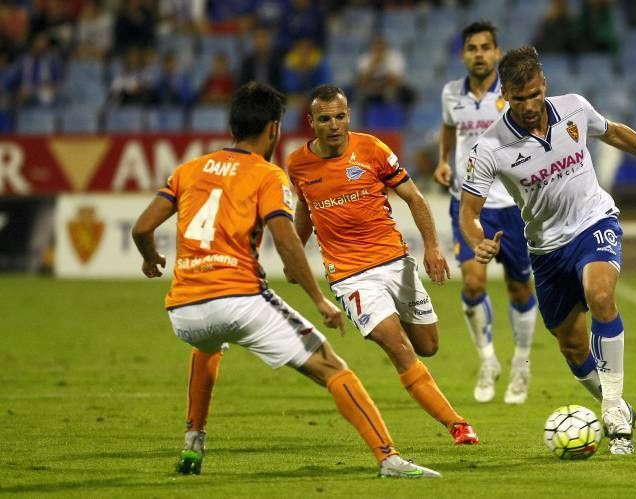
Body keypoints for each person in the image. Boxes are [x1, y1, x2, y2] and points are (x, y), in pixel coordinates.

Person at [131, 82, 440, 479]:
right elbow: (287, 239)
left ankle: (193, 441)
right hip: (239, 299)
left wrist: (150, 257)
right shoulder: (267, 174)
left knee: (207, 347)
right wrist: (319, 298)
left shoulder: (189, 170)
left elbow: (142, 228)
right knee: (334, 368)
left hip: (184, 309)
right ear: (274, 129)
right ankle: (389, 458)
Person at [459, 46, 636, 455]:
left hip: (594, 222)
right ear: (504, 96)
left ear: (543, 84)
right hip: (546, 250)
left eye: (533, 94)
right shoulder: (489, 148)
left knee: (601, 296)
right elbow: (468, 211)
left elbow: (613, 132)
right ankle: (614, 402)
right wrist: (477, 240)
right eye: (517, 97)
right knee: (572, 345)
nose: (528, 105)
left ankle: (615, 415)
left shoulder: (573, 109)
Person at [287, 84, 479, 445]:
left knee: (427, 345)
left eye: (340, 116)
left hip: (394, 261)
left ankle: (420, 374)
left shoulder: (372, 149)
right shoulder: (298, 163)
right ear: (311, 122)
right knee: (399, 347)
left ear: (349, 116)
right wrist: (296, 251)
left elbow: (414, 198)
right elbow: (305, 208)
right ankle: (457, 424)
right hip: (350, 275)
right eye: (324, 118)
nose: (333, 125)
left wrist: (433, 248)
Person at [435, 21, 538, 405]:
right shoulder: (451, 94)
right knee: (473, 284)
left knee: (519, 287)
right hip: (470, 203)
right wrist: (444, 160)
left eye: (485, 47)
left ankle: (522, 366)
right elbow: (450, 129)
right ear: (463, 55)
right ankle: (488, 360)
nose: (479, 53)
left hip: (514, 205)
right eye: (472, 48)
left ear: (497, 53)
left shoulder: (515, 93)